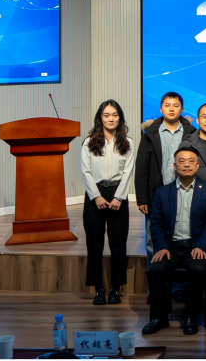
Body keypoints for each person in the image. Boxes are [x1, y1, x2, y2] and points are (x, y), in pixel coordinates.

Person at [143, 146, 206, 336]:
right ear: (174, 166)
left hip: (195, 246)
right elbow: (156, 223)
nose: (186, 165)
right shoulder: (162, 192)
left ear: (197, 165)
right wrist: (161, 246)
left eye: (191, 161)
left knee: (199, 270)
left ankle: (191, 315)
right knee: (155, 270)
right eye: (182, 161)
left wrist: (201, 246)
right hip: (170, 247)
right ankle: (160, 316)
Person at [80, 99, 135, 306]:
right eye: (106, 115)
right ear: (100, 118)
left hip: (118, 194)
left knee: (118, 244)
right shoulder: (89, 142)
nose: (111, 119)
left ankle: (115, 289)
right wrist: (96, 196)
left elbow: (128, 172)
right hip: (95, 194)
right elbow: (85, 171)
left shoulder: (128, 142)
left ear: (120, 117)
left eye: (114, 115)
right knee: (94, 244)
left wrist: (119, 197)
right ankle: (98, 289)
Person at [135, 92, 195, 260]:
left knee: (181, 237)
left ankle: (177, 275)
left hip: (184, 192)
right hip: (156, 193)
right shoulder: (149, 134)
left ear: (182, 109)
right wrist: (142, 198)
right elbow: (141, 168)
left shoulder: (191, 133)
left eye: (176, 106)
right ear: (161, 109)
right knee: (152, 240)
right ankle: (155, 276)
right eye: (167, 106)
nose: (171, 109)